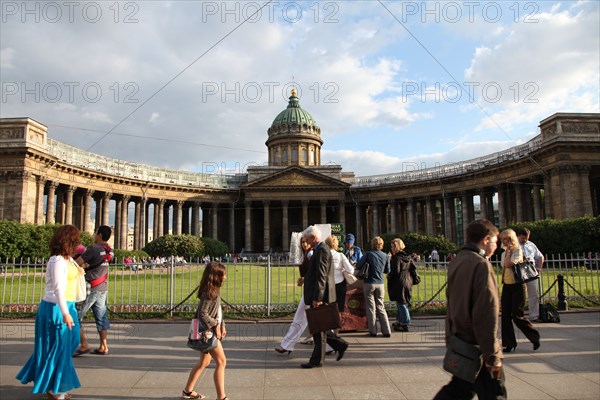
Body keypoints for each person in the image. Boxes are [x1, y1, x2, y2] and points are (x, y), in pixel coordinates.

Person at [434, 219, 506, 400]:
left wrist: (450, 336)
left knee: (460, 389)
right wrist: (492, 354)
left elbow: (452, 302)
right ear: (485, 240)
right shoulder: (481, 265)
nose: (496, 247)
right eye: (495, 242)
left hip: (461, 337)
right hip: (477, 344)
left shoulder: (458, 260)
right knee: (493, 392)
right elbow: (486, 312)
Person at [17, 224, 84, 400]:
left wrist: (79, 272)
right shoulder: (56, 261)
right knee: (57, 347)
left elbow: (72, 275)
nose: (78, 244)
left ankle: (45, 375)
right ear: (67, 241)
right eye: (75, 240)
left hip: (68, 306)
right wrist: (65, 313)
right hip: (55, 308)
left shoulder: (68, 259)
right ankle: (53, 387)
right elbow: (58, 289)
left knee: (72, 342)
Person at [301, 225, 349, 368]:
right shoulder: (320, 249)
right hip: (320, 294)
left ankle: (318, 359)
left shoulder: (321, 250)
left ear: (314, 238)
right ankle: (338, 346)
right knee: (319, 327)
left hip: (320, 296)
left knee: (318, 328)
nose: (305, 240)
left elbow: (322, 276)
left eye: (307, 238)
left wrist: (318, 298)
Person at [183, 261, 228, 400]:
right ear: (216, 276)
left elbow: (216, 311)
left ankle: (188, 391)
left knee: (204, 362)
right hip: (208, 333)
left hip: (208, 331)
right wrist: (216, 326)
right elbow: (203, 313)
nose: (225, 278)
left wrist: (222, 325)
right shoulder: (211, 292)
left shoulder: (212, 289)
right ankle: (222, 397)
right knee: (221, 362)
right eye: (223, 275)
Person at [73, 225, 113, 356]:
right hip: (103, 287)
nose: (94, 234)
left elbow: (76, 263)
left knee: (75, 316)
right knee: (101, 317)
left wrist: (84, 264)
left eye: (95, 233)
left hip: (91, 287)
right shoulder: (110, 250)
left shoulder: (93, 249)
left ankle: (84, 344)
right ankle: (104, 346)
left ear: (100, 235)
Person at [500, 229, 541, 353]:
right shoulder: (503, 253)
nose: (504, 241)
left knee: (517, 315)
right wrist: (507, 252)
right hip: (507, 285)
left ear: (512, 239)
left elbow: (508, 264)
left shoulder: (518, 250)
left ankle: (534, 337)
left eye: (507, 239)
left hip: (518, 285)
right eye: (503, 239)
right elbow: (504, 265)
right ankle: (509, 343)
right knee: (505, 316)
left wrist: (509, 252)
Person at [356, 236, 391, 337]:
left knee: (371, 308)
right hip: (380, 284)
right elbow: (387, 270)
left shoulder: (368, 254)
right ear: (382, 245)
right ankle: (387, 330)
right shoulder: (385, 255)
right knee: (381, 307)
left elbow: (358, 265)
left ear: (373, 244)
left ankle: (373, 331)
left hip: (369, 283)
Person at [325, 235, 354, 335]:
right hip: (340, 284)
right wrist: (343, 270)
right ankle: (336, 334)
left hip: (327, 285)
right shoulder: (341, 256)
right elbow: (351, 270)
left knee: (328, 308)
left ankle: (328, 332)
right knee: (339, 310)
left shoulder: (324, 256)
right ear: (336, 245)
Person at [516, 227, 545, 322]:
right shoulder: (514, 244)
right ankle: (518, 315)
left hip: (531, 269)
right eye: (523, 238)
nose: (525, 240)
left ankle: (534, 316)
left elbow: (540, 256)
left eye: (526, 238)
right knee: (520, 294)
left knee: (534, 294)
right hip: (519, 269)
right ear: (518, 236)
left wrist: (539, 268)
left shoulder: (531, 245)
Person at [387, 238, 415, 332]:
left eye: (392, 246)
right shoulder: (408, 256)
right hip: (408, 280)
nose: (391, 248)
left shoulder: (397, 257)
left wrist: (389, 275)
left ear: (396, 247)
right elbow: (413, 268)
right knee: (402, 302)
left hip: (399, 282)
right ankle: (399, 321)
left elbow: (395, 271)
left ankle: (405, 323)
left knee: (401, 303)